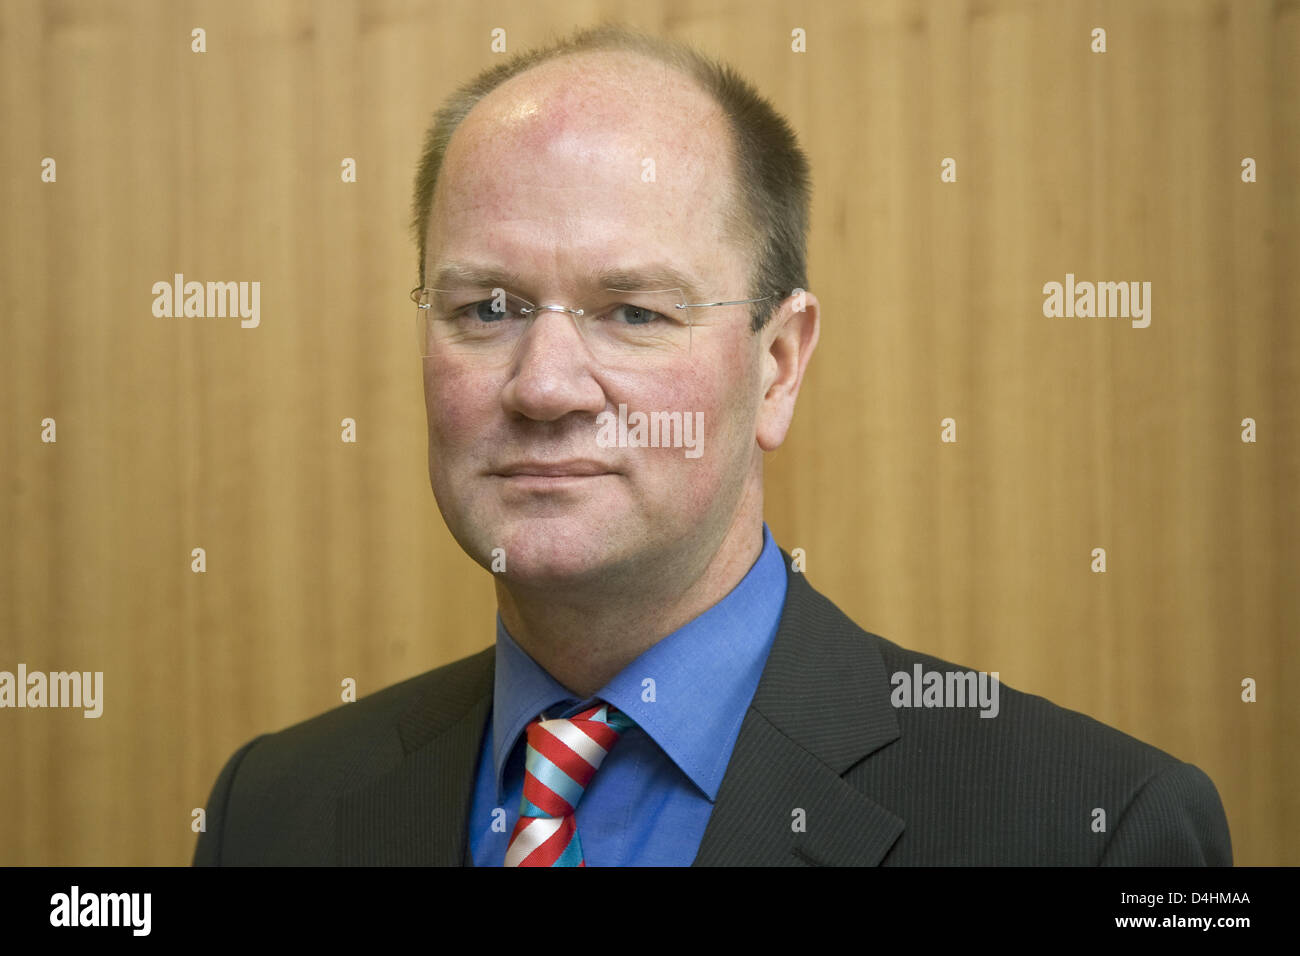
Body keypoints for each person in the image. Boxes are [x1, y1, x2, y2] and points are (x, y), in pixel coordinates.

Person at [193, 24, 1231, 866]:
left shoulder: (1093, 828)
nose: (545, 384)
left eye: (634, 311)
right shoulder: (275, 811)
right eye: (489, 306)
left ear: (776, 364)